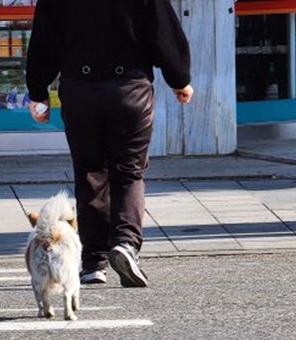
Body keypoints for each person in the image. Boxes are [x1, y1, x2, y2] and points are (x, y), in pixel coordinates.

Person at [26, 0, 194, 287]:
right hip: (129, 87)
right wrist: (179, 78)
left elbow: (45, 37)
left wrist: (38, 90)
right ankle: (125, 244)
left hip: (79, 88)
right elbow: (162, 29)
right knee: (128, 170)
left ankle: (93, 261)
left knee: (89, 172)